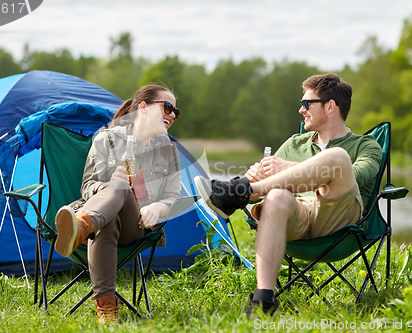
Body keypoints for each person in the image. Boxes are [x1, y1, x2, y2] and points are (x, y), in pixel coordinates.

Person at [194, 73, 382, 316]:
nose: (301, 110)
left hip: (340, 220)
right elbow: (268, 188)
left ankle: (236, 190)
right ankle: (264, 300)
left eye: (307, 104)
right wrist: (256, 178)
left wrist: (286, 168)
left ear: (331, 106)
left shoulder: (365, 145)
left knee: (337, 157)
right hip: (297, 218)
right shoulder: (294, 144)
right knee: (276, 197)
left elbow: (354, 176)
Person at [54, 84, 181, 324]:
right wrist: (104, 187)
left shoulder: (168, 151)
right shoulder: (107, 139)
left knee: (121, 187)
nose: (172, 115)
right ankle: (107, 311)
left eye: (176, 111)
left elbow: (172, 196)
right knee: (110, 213)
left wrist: (157, 208)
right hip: (106, 219)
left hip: (136, 227)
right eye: (167, 107)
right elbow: (88, 185)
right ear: (143, 108)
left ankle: (81, 225)